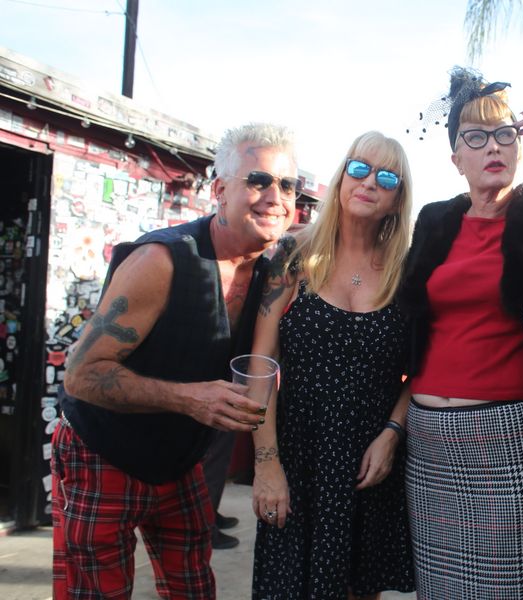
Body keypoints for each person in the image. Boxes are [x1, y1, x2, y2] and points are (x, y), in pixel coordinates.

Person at [51, 122, 300, 599]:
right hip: (103, 450)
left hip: (179, 461)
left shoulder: (268, 276)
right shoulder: (163, 260)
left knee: (192, 588)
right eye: (258, 180)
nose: (275, 197)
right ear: (220, 191)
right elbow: (81, 375)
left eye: (287, 185)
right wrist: (189, 399)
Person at [397, 67, 523, 599]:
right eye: (475, 138)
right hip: (430, 445)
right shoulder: (434, 220)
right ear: (456, 157)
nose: (493, 147)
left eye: (505, 133)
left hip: (517, 438)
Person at [249, 131, 415, 600]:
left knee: (360, 591)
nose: (370, 182)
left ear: (397, 198)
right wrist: (266, 464)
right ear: (342, 177)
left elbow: (425, 366)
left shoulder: (406, 272)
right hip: (299, 457)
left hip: (370, 464)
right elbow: (260, 365)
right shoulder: (293, 256)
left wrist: (392, 433)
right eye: (359, 168)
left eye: (387, 177)